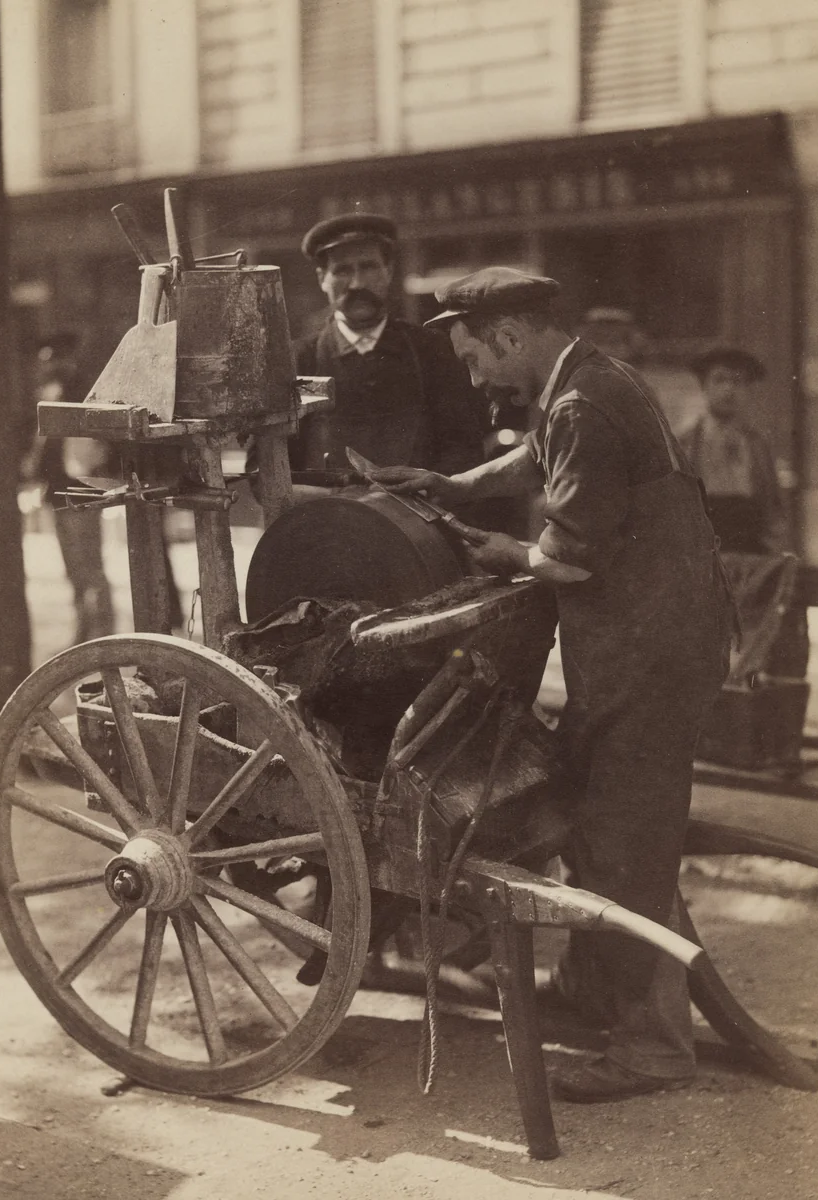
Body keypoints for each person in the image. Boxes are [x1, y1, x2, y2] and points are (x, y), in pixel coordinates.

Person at [372, 267, 733, 1103]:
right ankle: (592, 990)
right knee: (598, 818)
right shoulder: (591, 377)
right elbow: (535, 459)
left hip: (651, 651)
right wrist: (452, 487)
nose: (476, 380)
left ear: (509, 334)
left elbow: (566, 557)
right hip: (653, 638)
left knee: (627, 839)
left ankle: (654, 1047)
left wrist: (508, 554)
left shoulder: (581, 405)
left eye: (475, 359)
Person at [265, 212, 485, 483]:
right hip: (326, 510)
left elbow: (465, 450)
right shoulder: (297, 361)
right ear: (322, 278)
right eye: (343, 270)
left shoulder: (433, 350)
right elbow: (269, 469)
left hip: (417, 509)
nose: (357, 284)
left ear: (389, 271)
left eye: (368, 267)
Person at [26, 333, 117, 645]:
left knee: (89, 564)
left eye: (55, 359)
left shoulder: (84, 393)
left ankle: (103, 630)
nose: (49, 366)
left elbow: (93, 450)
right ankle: (85, 628)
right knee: (74, 567)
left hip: (81, 489)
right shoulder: (52, 394)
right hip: (59, 491)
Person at [677, 347, 789, 555]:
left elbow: (772, 506)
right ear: (704, 386)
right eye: (719, 380)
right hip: (702, 549)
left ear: (748, 390)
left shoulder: (758, 444)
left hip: (750, 548)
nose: (729, 389)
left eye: (738, 382)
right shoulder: (685, 444)